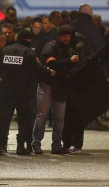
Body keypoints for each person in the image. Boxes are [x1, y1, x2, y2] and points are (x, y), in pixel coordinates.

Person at [0, 29, 56, 155]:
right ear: (28, 40)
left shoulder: (5, 50)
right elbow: (37, 68)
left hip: (6, 91)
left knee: (3, 119)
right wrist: (49, 72)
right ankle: (21, 146)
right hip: (23, 91)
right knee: (24, 120)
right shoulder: (28, 52)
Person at [33, 25, 79, 155]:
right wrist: (69, 61)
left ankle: (57, 145)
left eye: (68, 36)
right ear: (58, 36)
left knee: (59, 119)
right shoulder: (51, 46)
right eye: (64, 36)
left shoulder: (69, 49)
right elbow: (50, 63)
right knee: (41, 116)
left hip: (60, 87)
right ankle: (36, 144)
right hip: (47, 85)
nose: (66, 38)